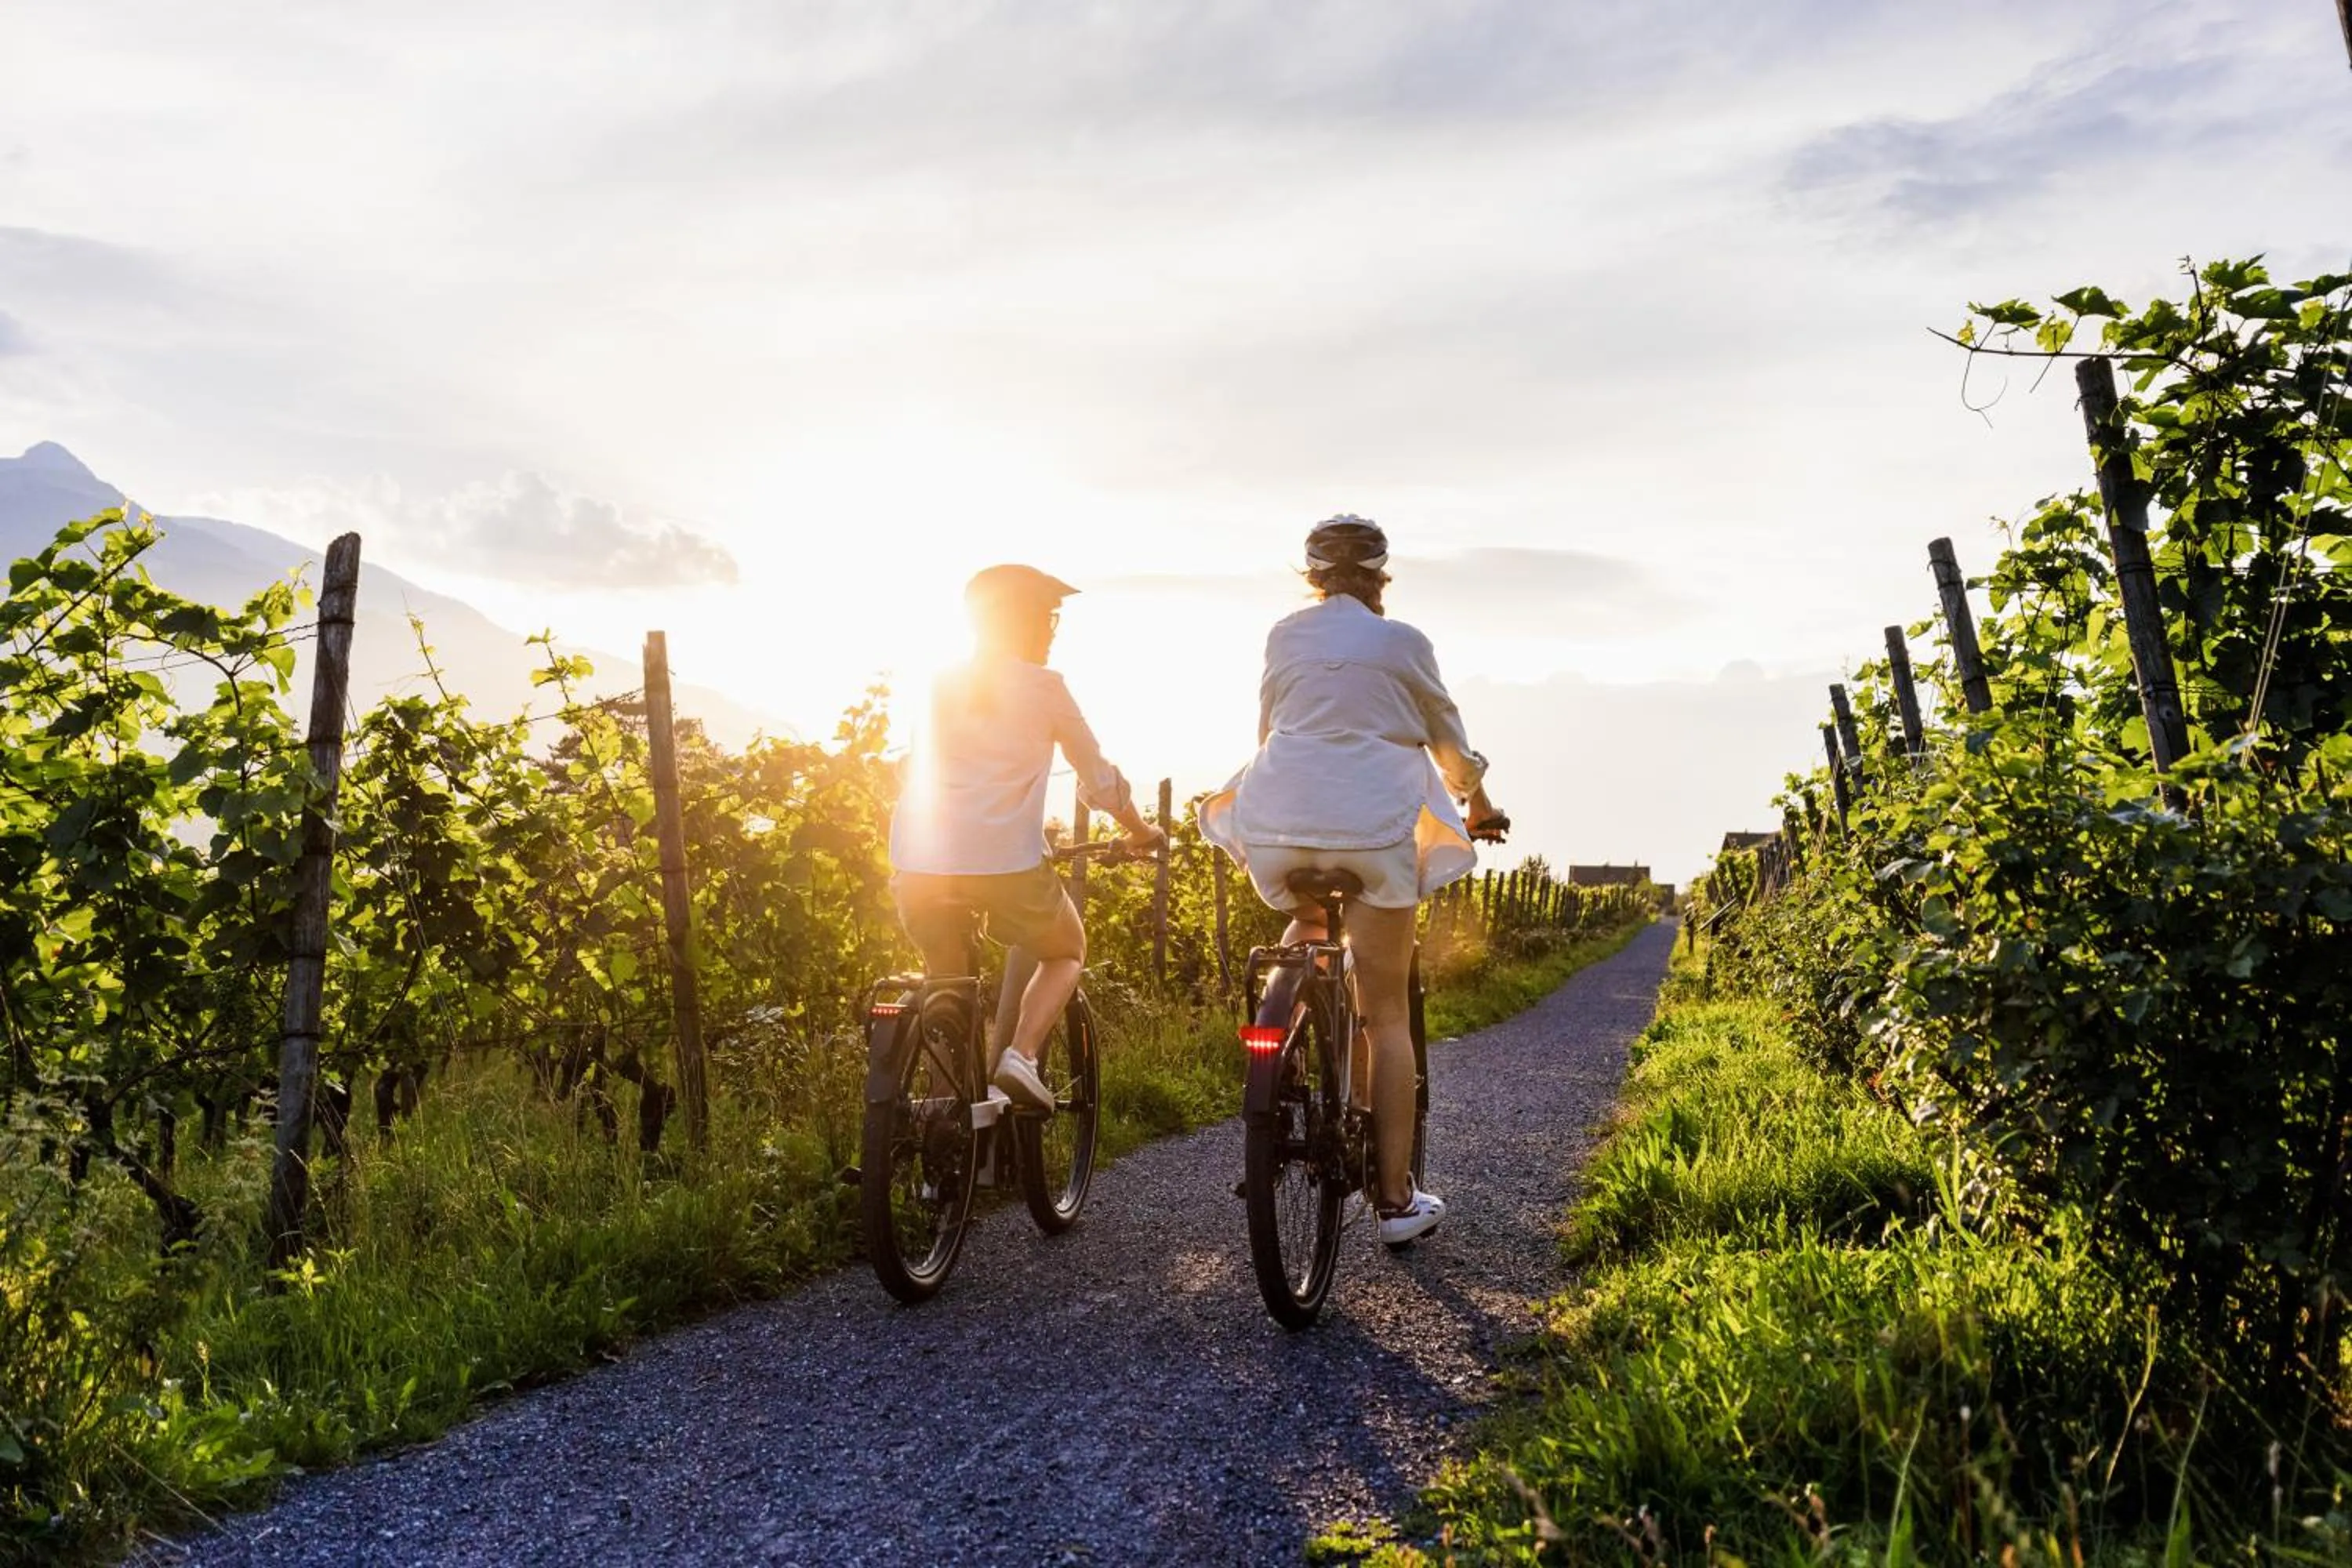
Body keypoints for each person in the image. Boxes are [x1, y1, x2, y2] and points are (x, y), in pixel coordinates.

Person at [1201, 516, 1504, 1247]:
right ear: (1380, 576)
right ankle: (1395, 1202)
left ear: (1311, 576)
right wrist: (1476, 802)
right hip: (1373, 830)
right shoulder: (1404, 643)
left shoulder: (1284, 637)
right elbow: (1447, 741)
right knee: (1386, 1014)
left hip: (1279, 822)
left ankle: (1280, 1040)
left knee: (1309, 922)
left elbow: (1271, 727)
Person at [888, 564, 1165, 1112]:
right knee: (1066, 951)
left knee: (946, 982)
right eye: (1049, 619)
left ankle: (944, 1111)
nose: (1053, 631)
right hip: (1006, 866)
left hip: (918, 866)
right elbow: (1101, 782)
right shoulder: (1045, 688)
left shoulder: (940, 683)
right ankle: (1022, 1057)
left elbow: (914, 768)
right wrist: (1141, 831)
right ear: (1029, 623)